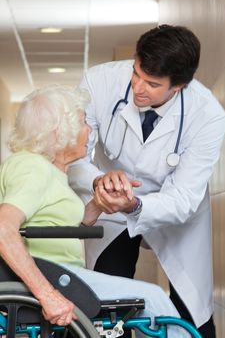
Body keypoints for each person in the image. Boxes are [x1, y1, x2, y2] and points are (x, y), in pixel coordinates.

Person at [68, 24, 225, 338]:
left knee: (191, 315)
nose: (138, 87)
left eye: (152, 84)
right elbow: (74, 157)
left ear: (179, 85)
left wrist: (137, 203)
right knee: (105, 309)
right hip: (109, 205)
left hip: (174, 214)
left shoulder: (207, 115)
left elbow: (183, 198)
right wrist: (101, 182)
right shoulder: (98, 82)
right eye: (137, 73)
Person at [0, 84, 190, 338]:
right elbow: (3, 228)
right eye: (83, 123)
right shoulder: (33, 169)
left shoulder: (44, 170)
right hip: (56, 275)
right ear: (60, 132)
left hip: (59, 272)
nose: (90, 131)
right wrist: (47, 295)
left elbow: (55, 225)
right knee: (154, 300)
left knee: (152, 301)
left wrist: (97, 206)